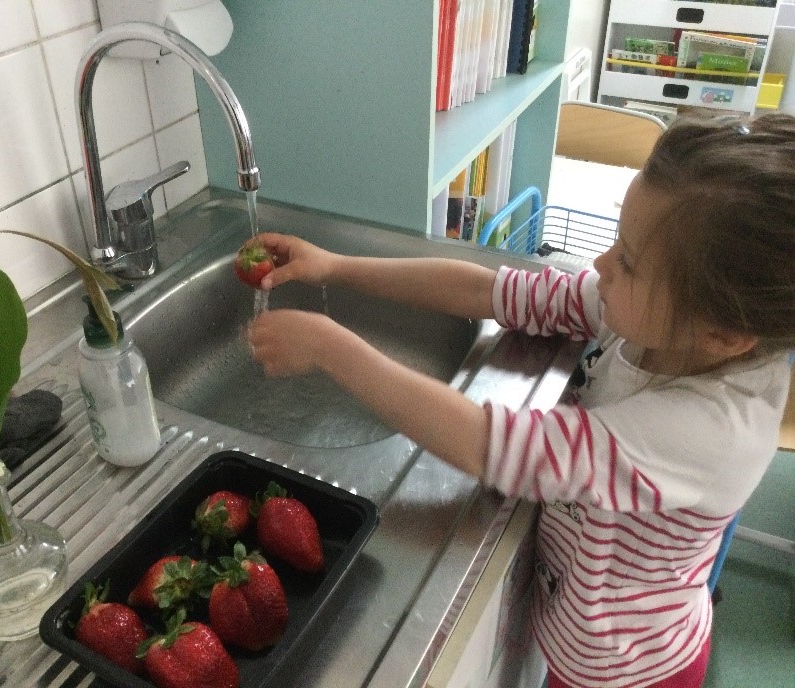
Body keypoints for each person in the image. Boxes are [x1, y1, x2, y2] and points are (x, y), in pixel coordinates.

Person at [246, 111, 795, 688]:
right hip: (577, 629)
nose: (601, 266)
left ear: (724, 334)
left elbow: (494, 447)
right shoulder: (656, 320)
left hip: (624, 671)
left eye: (628, 261)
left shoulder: (709, 431)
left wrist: (334, 350)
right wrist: (336, 267)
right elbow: (491, 289)